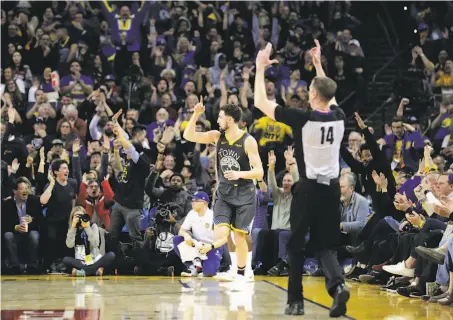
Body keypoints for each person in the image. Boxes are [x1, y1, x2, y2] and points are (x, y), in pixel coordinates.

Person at [254, 41, 349, 317]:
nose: (307, 92)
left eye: (310, 89)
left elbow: (261, 102)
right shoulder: (340, 118)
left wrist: (260, 67)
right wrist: (318, 65)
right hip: (331, 190)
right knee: (325, 246)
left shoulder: (302, 118)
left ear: (314, 93)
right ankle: (338, 286)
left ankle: (295, 302)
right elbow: (330, 98)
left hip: (307, 190)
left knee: (296, 246)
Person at [183, 98, 263, 290]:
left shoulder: (248, 141)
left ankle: (243, 272)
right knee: (222, 233)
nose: (217, 120)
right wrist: (195, 114)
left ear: (229, 119)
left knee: (239, 237)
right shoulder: (217, 136)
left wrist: (239, 174)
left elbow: (259, 172)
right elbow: (188, 135)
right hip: (224, 192)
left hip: (245, 193)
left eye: (220, 117)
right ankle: (233, 267)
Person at [173, 191, 223, 277]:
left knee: (209, 273)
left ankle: (211, 265)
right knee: (177, 239)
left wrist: (210, 247)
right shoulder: (191, 213)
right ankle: (192, 268)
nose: (193, 202)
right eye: (192, 200)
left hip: (212, 247)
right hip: (197, 245)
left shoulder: (214, 216)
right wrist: (186, 235)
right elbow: (181, 230)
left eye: (196, 200)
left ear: (204, 203)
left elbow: (222, 238)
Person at [63, 206, 115, 277]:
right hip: (80, 261)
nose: (79, 218)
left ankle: (84, 272)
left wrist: (87, 228)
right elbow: (69, 245)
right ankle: (93, 271)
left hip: (94, 259)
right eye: (76, 216)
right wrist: (73, 227)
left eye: (81, 216)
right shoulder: (72, 228)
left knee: (111, 255)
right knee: (66, 259)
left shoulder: (93, 226)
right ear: (72, 218)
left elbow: (95, 244)